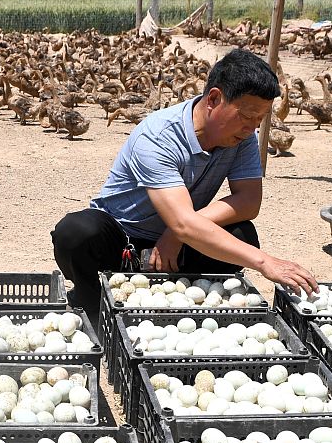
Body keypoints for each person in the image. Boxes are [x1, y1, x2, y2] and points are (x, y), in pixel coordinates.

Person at [50, 48, 317, 316]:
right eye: (247, 116)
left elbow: (248, 202)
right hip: (122, 241)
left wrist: (178, 231)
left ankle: (186, 303)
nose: (252, 128)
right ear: (214, 99)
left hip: (177, 243)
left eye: (260, 119)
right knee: (77, 232)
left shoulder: (242, 138)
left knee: (242, 234)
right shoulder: (158, 135)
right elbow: (182, 222)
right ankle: (93, 305)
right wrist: (264, 263)